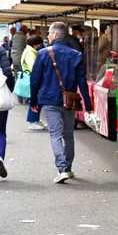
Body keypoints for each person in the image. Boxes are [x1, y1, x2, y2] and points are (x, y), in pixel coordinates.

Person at [30, 22, 92, 184]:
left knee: (55, 134)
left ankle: (62, 168)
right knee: (68, 134)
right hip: (69, 101)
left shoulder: (43, 53)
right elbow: (82, 82)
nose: (48, 36)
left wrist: (34, 100)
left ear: (56, 35)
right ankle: (68, 167)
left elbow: (35, 79)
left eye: (49, 33)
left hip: (50, 100)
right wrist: (88, 104)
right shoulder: (76, 54)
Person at [21, 35, 45, 131]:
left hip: (33, 78)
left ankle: (35, 120)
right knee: (35, 100)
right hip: (33, 79)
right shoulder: (31, 53)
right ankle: (32, 121)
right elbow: (33, 68)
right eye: (39, 44)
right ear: (35, 45)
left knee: (37, 99)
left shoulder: (30, 51)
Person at [0, 44, 14, 178]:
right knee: (0, 131)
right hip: (0, 96)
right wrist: (9, 89)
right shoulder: (0, 50)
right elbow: (7, 72)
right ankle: (0, 158)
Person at [10, 24, 27, 104]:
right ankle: (25, 99)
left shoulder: (14, 36)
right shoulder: (24, 37)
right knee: (24, 79)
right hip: (21, 60)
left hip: (14, 59)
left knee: (17, 79)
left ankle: (19, 99)